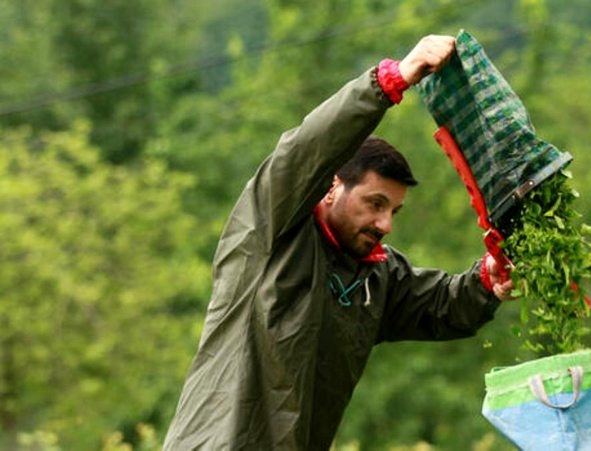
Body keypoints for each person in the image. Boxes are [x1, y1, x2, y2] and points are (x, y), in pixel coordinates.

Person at [163, 34, 514, 450]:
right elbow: (305, 150)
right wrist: (389, 83)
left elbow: (441, 306)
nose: (384, 223)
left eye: (393, 211)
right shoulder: (270, 231)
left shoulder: (376, 277)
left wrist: (486, 281)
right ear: (332, 186)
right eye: (374, 203)